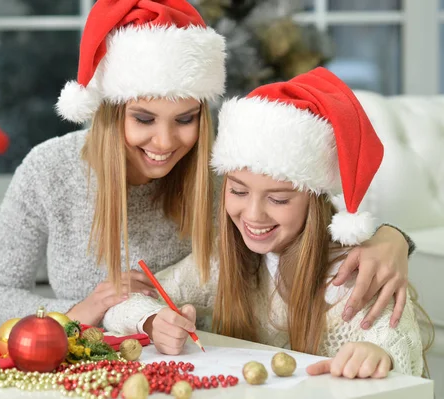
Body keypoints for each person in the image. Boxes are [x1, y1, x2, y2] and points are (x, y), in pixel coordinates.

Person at [0, 0, 414, 331]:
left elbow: (312, 214)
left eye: (185, 120)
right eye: (144, 119)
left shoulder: (221, 168)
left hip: (197, 365)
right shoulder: (49, 169)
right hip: (79, 359)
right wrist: (75, 312)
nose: (165, 143)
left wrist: (393, 239)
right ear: (111, 112)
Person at [103, 67, 428, 378]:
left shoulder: (353, 277)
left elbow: (402, 362)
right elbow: (122, 305)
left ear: (312, 201)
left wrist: (377, 358)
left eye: (278, 199)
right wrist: (151, 320)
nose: (254, 215)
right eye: (238, 191)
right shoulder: (222, 261)